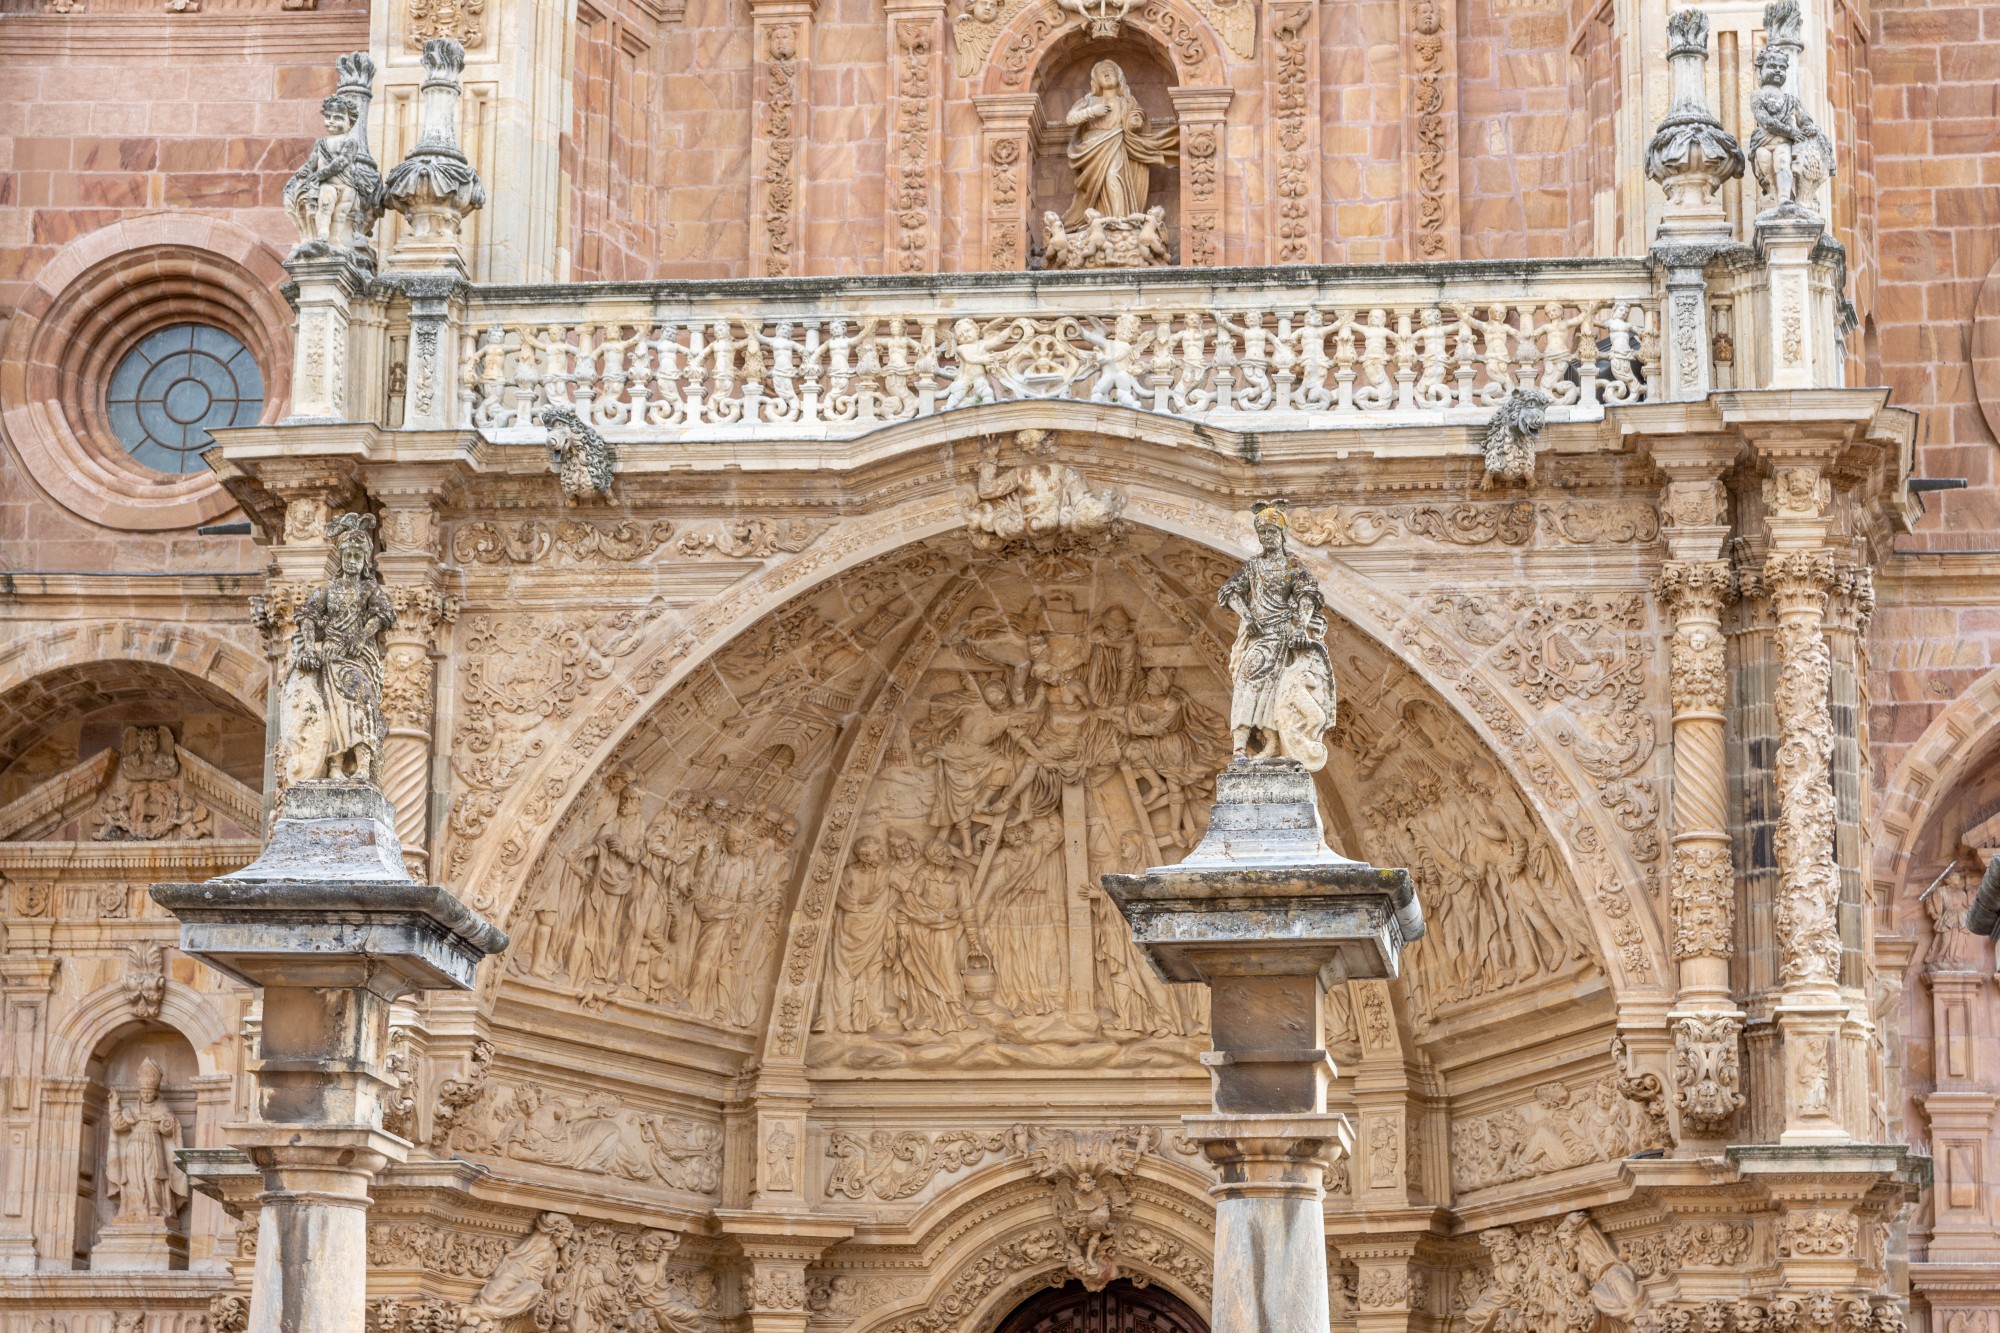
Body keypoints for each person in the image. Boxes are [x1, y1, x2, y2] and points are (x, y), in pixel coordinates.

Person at [1061, 61, 1178, 227]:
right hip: (1091, 147)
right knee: (1098, 185)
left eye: (1110, 71)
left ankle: (1119, 219)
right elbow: (1070, 119)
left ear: (1119, 77)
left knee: (1113, 176)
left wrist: (1135, 121)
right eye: (1102, 73)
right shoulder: (1089, 100)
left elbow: (1136, 117)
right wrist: (1092, 111)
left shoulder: (1127, 101)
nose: (1106, 74)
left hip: (1116, 142)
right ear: (1096, 81)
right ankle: (1100, 220)